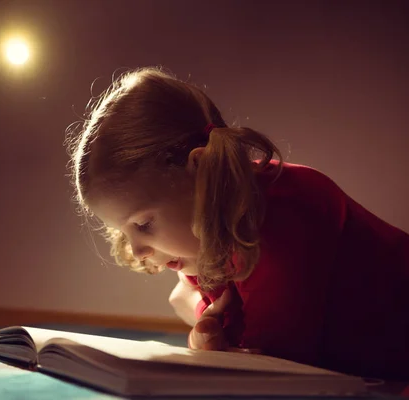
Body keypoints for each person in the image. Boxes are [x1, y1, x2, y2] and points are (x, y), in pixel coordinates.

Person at [66, 67, 409, 380]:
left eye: (142, 224)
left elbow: (272, 371)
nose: (138, 251)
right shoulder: (203, 235)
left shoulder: (282, 210)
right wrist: (206, 324)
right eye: (123, 231)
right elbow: (188, 298)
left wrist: (213, 334)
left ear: (200, 172)